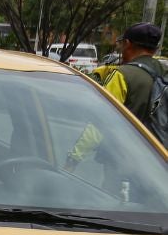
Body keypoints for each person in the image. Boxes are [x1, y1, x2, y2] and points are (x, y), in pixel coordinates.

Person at [66, 23, 164, 169]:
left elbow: (100, 123)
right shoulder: (163, 73)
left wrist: (74, 158)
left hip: (122, 163)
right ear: (155, 48)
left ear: (127, 44)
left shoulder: (122, 75)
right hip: (157, 164)